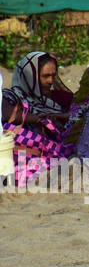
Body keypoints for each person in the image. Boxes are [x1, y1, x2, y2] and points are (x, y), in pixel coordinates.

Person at [2, 51, 76, 185]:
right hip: (24, 153)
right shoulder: (10, 96)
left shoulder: (55, 99)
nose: (50, 81)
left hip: (50, 153)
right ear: (30, 77)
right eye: (45, 76)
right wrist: (40, 119)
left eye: (53, 76)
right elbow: (6, 114)